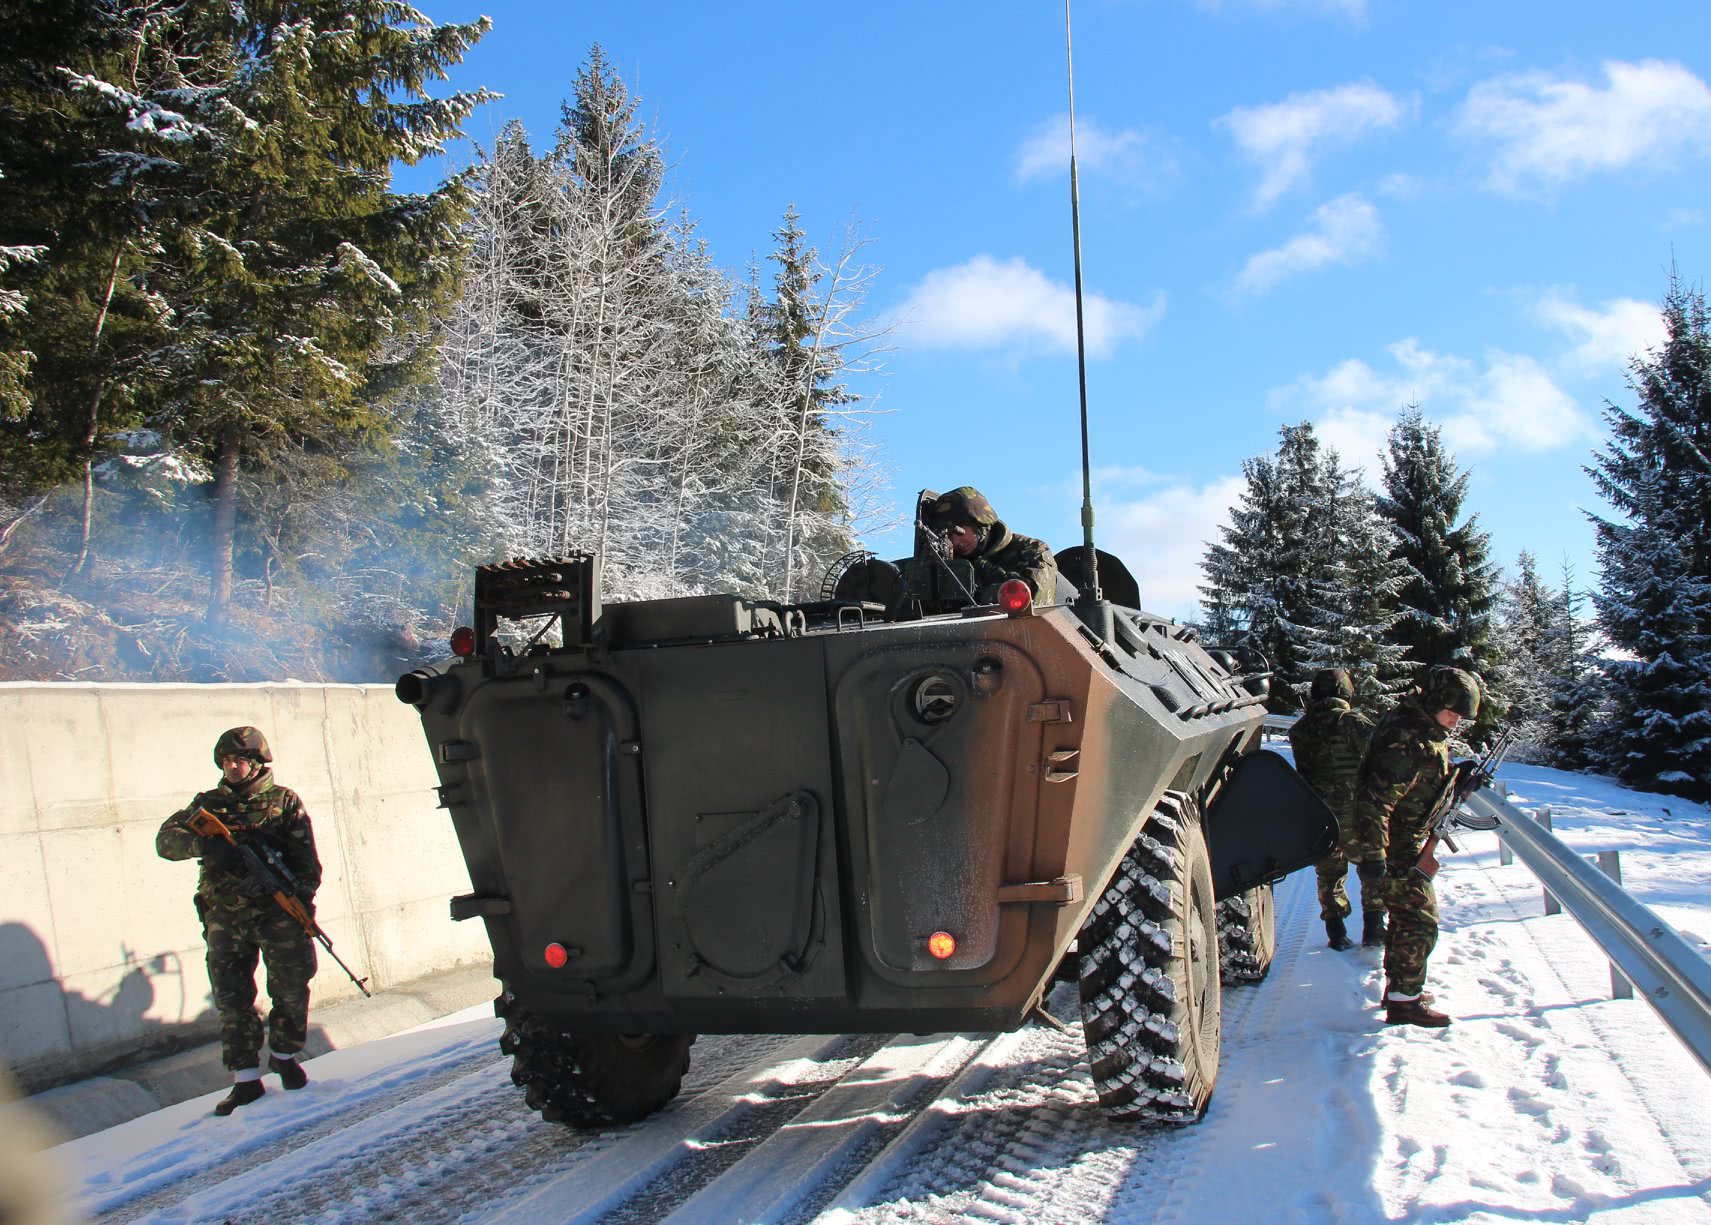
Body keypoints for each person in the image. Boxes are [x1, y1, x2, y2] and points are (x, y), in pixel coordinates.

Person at [156, 726, 321, 1115]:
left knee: (291, 987)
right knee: (232, 999)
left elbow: (307, 864)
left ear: (258, 762)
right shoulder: (208, 805)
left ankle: (284, 1055)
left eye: (240, 760)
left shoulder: (283, 802)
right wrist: (206, 845)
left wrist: (299, 902)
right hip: (225, 919)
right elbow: (165, 841)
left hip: (277, 915)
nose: (232, 767)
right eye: (227, 761)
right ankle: (245, 1080)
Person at [1350, 666, 1482, 1029]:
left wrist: (1455, 781)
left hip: (1402, 841)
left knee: (1406, 919)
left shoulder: (1423, 730)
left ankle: (1401, 993)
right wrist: (1375, 857)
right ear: (1435, 702)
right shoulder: (1409, 739)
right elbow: (1375, 800)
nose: (1456, 721)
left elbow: (1419, 782)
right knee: (1420, 921)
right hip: (1395, 847)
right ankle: (1405, 1004)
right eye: (1452, 712)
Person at [1288, 668, 1382, 952]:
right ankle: (1375, 930)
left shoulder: (1300, 729)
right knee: (1373, 868)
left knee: (1329, 874)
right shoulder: (1354, 723)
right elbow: (1379, 758)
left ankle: (1336, 932)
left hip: (1319, 815)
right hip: (1357, 813)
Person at [925, 486, 1057, 605]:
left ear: (979, 524)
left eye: (958, 532)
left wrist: (983, 571)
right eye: (947, 536)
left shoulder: (1032, 551)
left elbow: (1031, 600)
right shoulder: (951, 565)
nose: (954, 542)